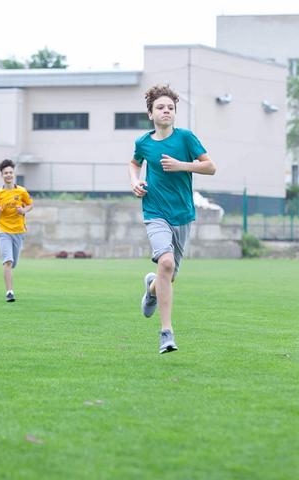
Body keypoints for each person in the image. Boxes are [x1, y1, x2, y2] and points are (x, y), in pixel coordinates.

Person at [128, 84, 216, 354]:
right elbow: (134, 163)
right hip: (155, 212)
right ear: (150, 114)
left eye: (171, 107)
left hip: (183, 216)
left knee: (169, 275)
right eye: (160, 107)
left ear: (175, 113)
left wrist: (182, 165)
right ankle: (166, 334)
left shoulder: (186, 138)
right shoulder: (143, 142)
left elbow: (210, 167)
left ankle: (151, 289)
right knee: (164, 262)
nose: (166, 111)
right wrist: (135, 182)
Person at [0, 159, 34, 301]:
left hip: (19, 230)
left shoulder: (21, 191)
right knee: (8, 262)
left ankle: (9, 270)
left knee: (13, 263)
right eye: (6, 173)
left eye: (10, 172)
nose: (8, 175)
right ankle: (9, 292)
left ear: (14, 174)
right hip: (3, 230)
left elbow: (30, 205)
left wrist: (23, 210)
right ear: (2, 176)